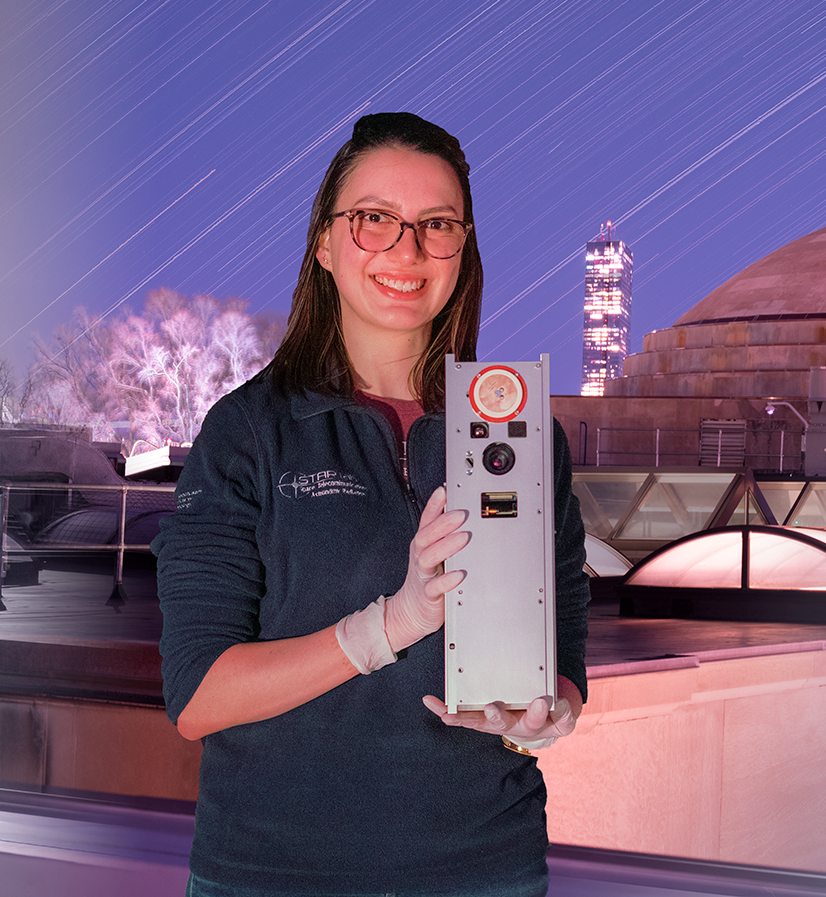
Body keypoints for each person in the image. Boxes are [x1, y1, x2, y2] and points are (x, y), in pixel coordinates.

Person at [154, 112, 589, 897]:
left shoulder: (517, 432)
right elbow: (198, 695)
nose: (407, 249)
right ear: (325, 242)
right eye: (375, 220)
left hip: (486, 868)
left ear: (464, 248)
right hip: (274, 873)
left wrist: (550, 711)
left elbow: (564, 632)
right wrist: (391, 624)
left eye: (437, 224)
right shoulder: (251, 432)